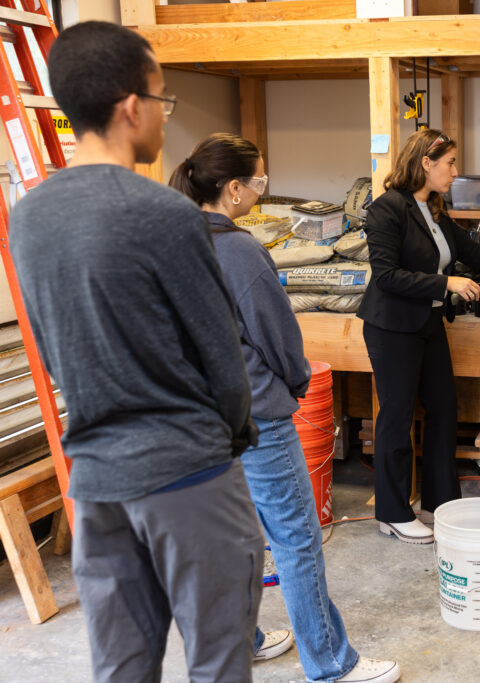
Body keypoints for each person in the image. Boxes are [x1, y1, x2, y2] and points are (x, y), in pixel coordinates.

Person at [9, 22, 265, 681]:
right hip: (187, 472)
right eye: (162, 98)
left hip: (95, 478)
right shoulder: (166, 215)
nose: (163, 113)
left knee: (120, 664)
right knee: (218, 658)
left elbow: (53, 340)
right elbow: (223, 359)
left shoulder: (28, 216)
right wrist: (233, 435)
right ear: (131, 106)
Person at [169, 134, 400, 683]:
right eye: (259, 182)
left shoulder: (170, 243)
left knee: (229, 538)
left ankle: (240, 641)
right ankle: (330, 663)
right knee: (297, 542)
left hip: (199, 420)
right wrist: (296, 382)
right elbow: (279, 337)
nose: (261, 191)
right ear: (233, 189)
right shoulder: (241, 250)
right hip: (255, 418)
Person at [357, 129, 480, 544]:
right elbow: (387, 275)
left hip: (428, 324)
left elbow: (474, 251)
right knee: (395, 418)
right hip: (392, 326)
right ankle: (392, 512)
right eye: (449, 163)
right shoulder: (387, 209)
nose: (455, 171)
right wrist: (444, 285)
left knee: (444, 410)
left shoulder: (432, 210)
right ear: (425, 163)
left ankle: (438, 503)